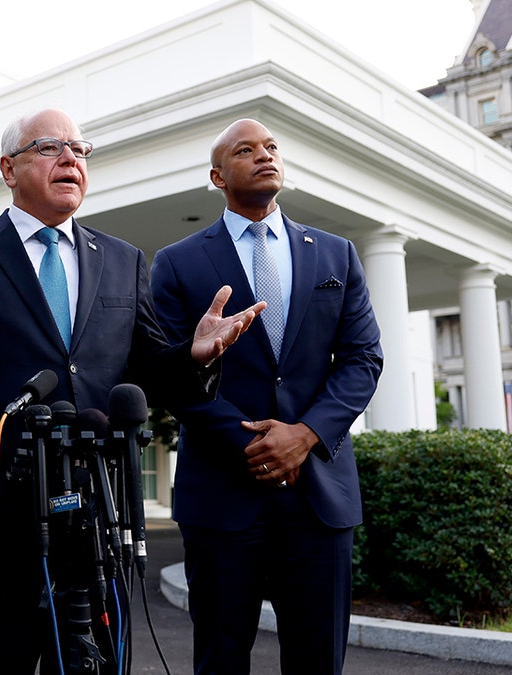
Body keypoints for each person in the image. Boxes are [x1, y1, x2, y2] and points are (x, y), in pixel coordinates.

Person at [0, 109, 263, 674]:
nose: (71, 160)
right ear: (9, 168)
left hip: (97, 516)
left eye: (81, 151)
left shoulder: (123, 260)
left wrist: (194, 354)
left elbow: (155, 369)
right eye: (52, 147)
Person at [149, 118, 384, 674]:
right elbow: (167, 372)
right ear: (217, 175)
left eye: (272, 147)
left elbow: (363, 359)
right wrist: (252, 444)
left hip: (319, 492)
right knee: (221, 658)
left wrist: (304, 436)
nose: (264, 155)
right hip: (223, 493)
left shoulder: (336, 254)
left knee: (317, 659)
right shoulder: (177, 263)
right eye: (245, 149)